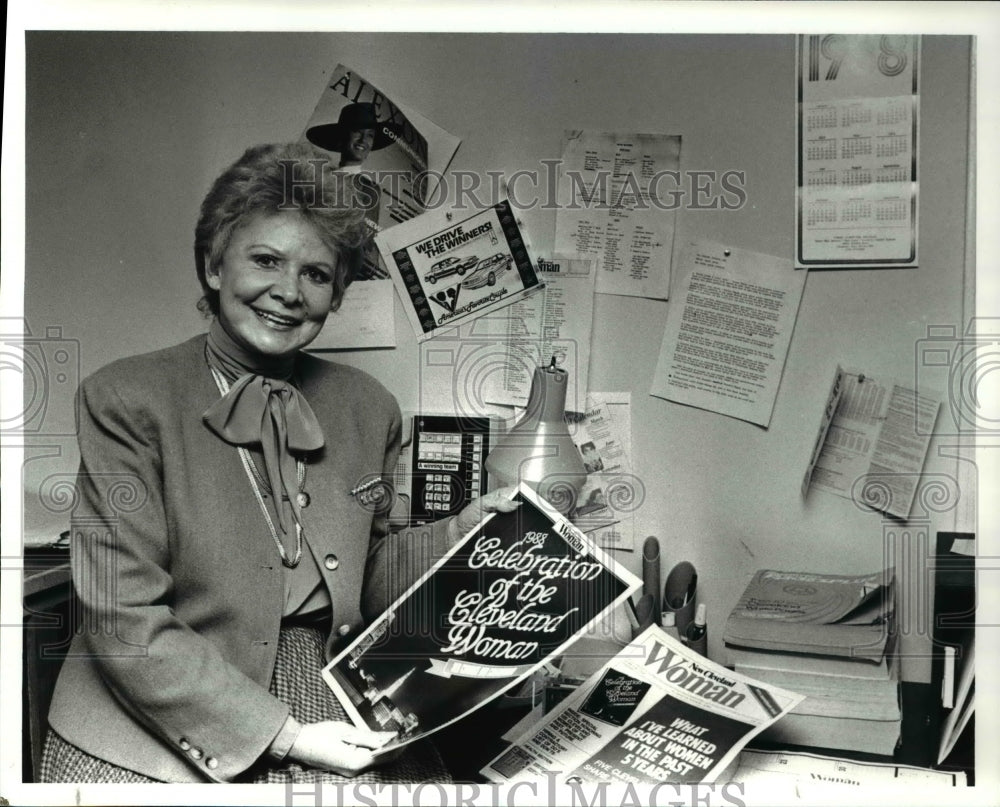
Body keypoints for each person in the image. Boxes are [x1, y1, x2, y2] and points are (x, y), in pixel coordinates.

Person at [41, 142, 518, 784]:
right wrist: (286, 736)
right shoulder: (125, 398)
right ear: (214, 267)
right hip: (150, 710)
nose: (288, 293)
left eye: (317, 275)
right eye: (265, 260)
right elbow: (121, 617)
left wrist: (469, 532)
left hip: (325, 678)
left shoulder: (368, 406)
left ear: (337, 294)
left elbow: (372, 580)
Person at [306, 102, 397, 281]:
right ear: (343, 136)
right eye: (357, 132)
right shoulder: (319, 179)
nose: (363, 141)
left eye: (370, 135)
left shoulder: (369, 189)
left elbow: (368, 242)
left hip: (347, 272)